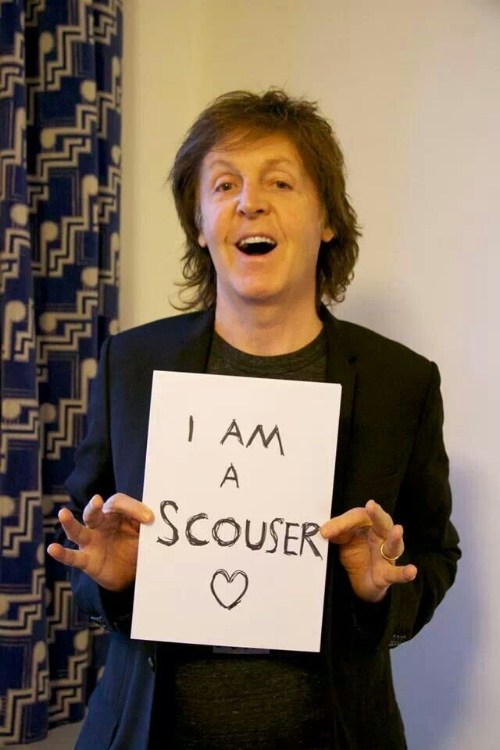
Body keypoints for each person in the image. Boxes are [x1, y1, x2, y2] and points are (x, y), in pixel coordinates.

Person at [48, 89, 460, 749]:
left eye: (280, 182)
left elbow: (435, 554)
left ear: (328, 220)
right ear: (200, 223)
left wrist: (383, 588)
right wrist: (113, 580)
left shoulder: (400, 383)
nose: (249, 202)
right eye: (224, 185)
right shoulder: (133, 363)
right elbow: (82, 539)